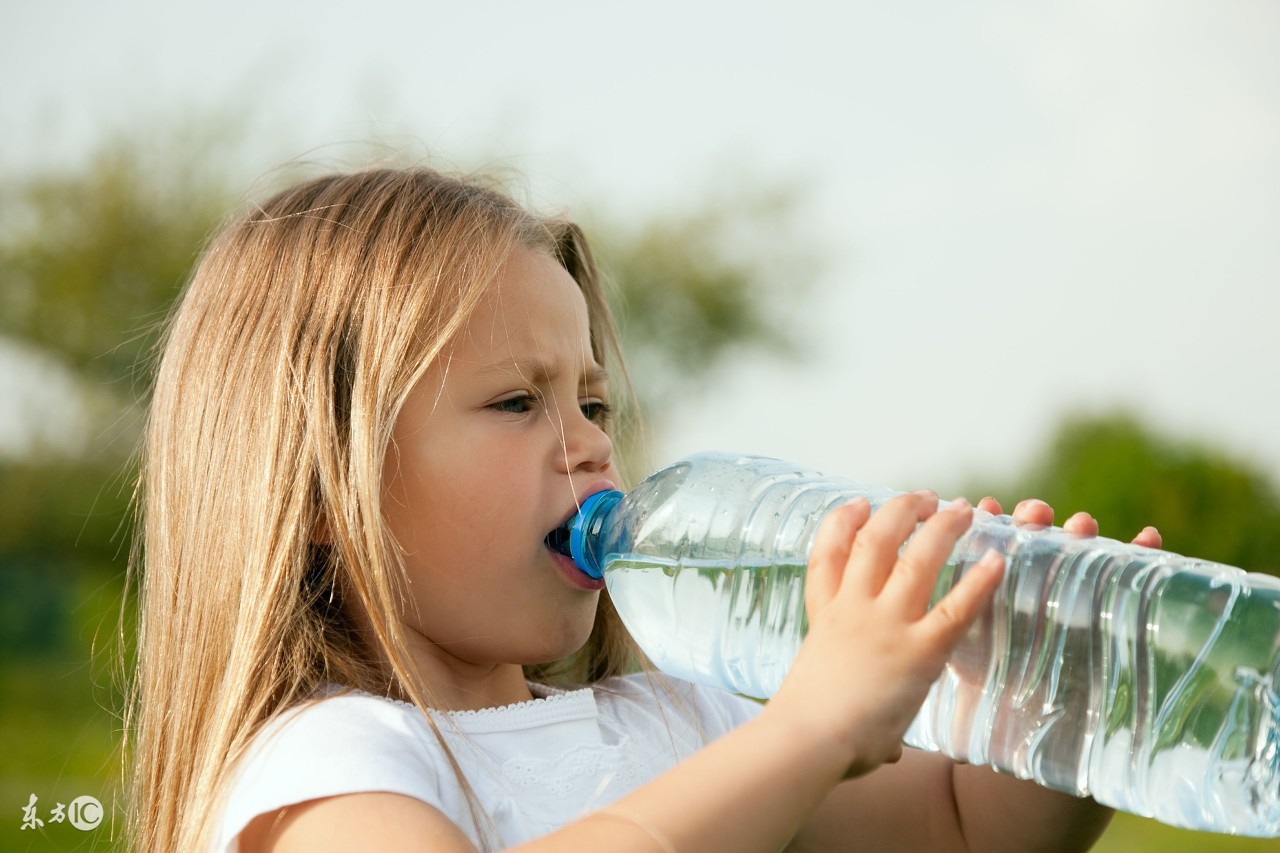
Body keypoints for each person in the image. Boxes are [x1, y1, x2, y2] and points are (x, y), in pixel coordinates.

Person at [126, 165, 1162, 852]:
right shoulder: (328, 768)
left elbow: (956, 829)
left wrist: (1060, 702)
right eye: (516, 402)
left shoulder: (675, 720)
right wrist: (806, 727)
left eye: (591, 401)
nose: (585, 441)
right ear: (319, 485)